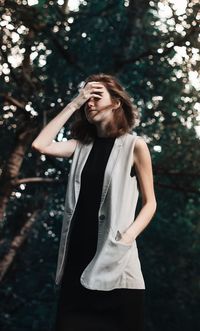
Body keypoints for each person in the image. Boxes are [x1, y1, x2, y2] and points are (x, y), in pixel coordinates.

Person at [31, 73, 157, 331]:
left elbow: (150, 203)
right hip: (76, 266)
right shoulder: (80, 146)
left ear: (116, 102)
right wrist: (75, 102)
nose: (90, 101)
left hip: (116, 267)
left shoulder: (135, 146)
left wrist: (124, 239)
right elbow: (40, 145)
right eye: (87, 97)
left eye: (96, 95)